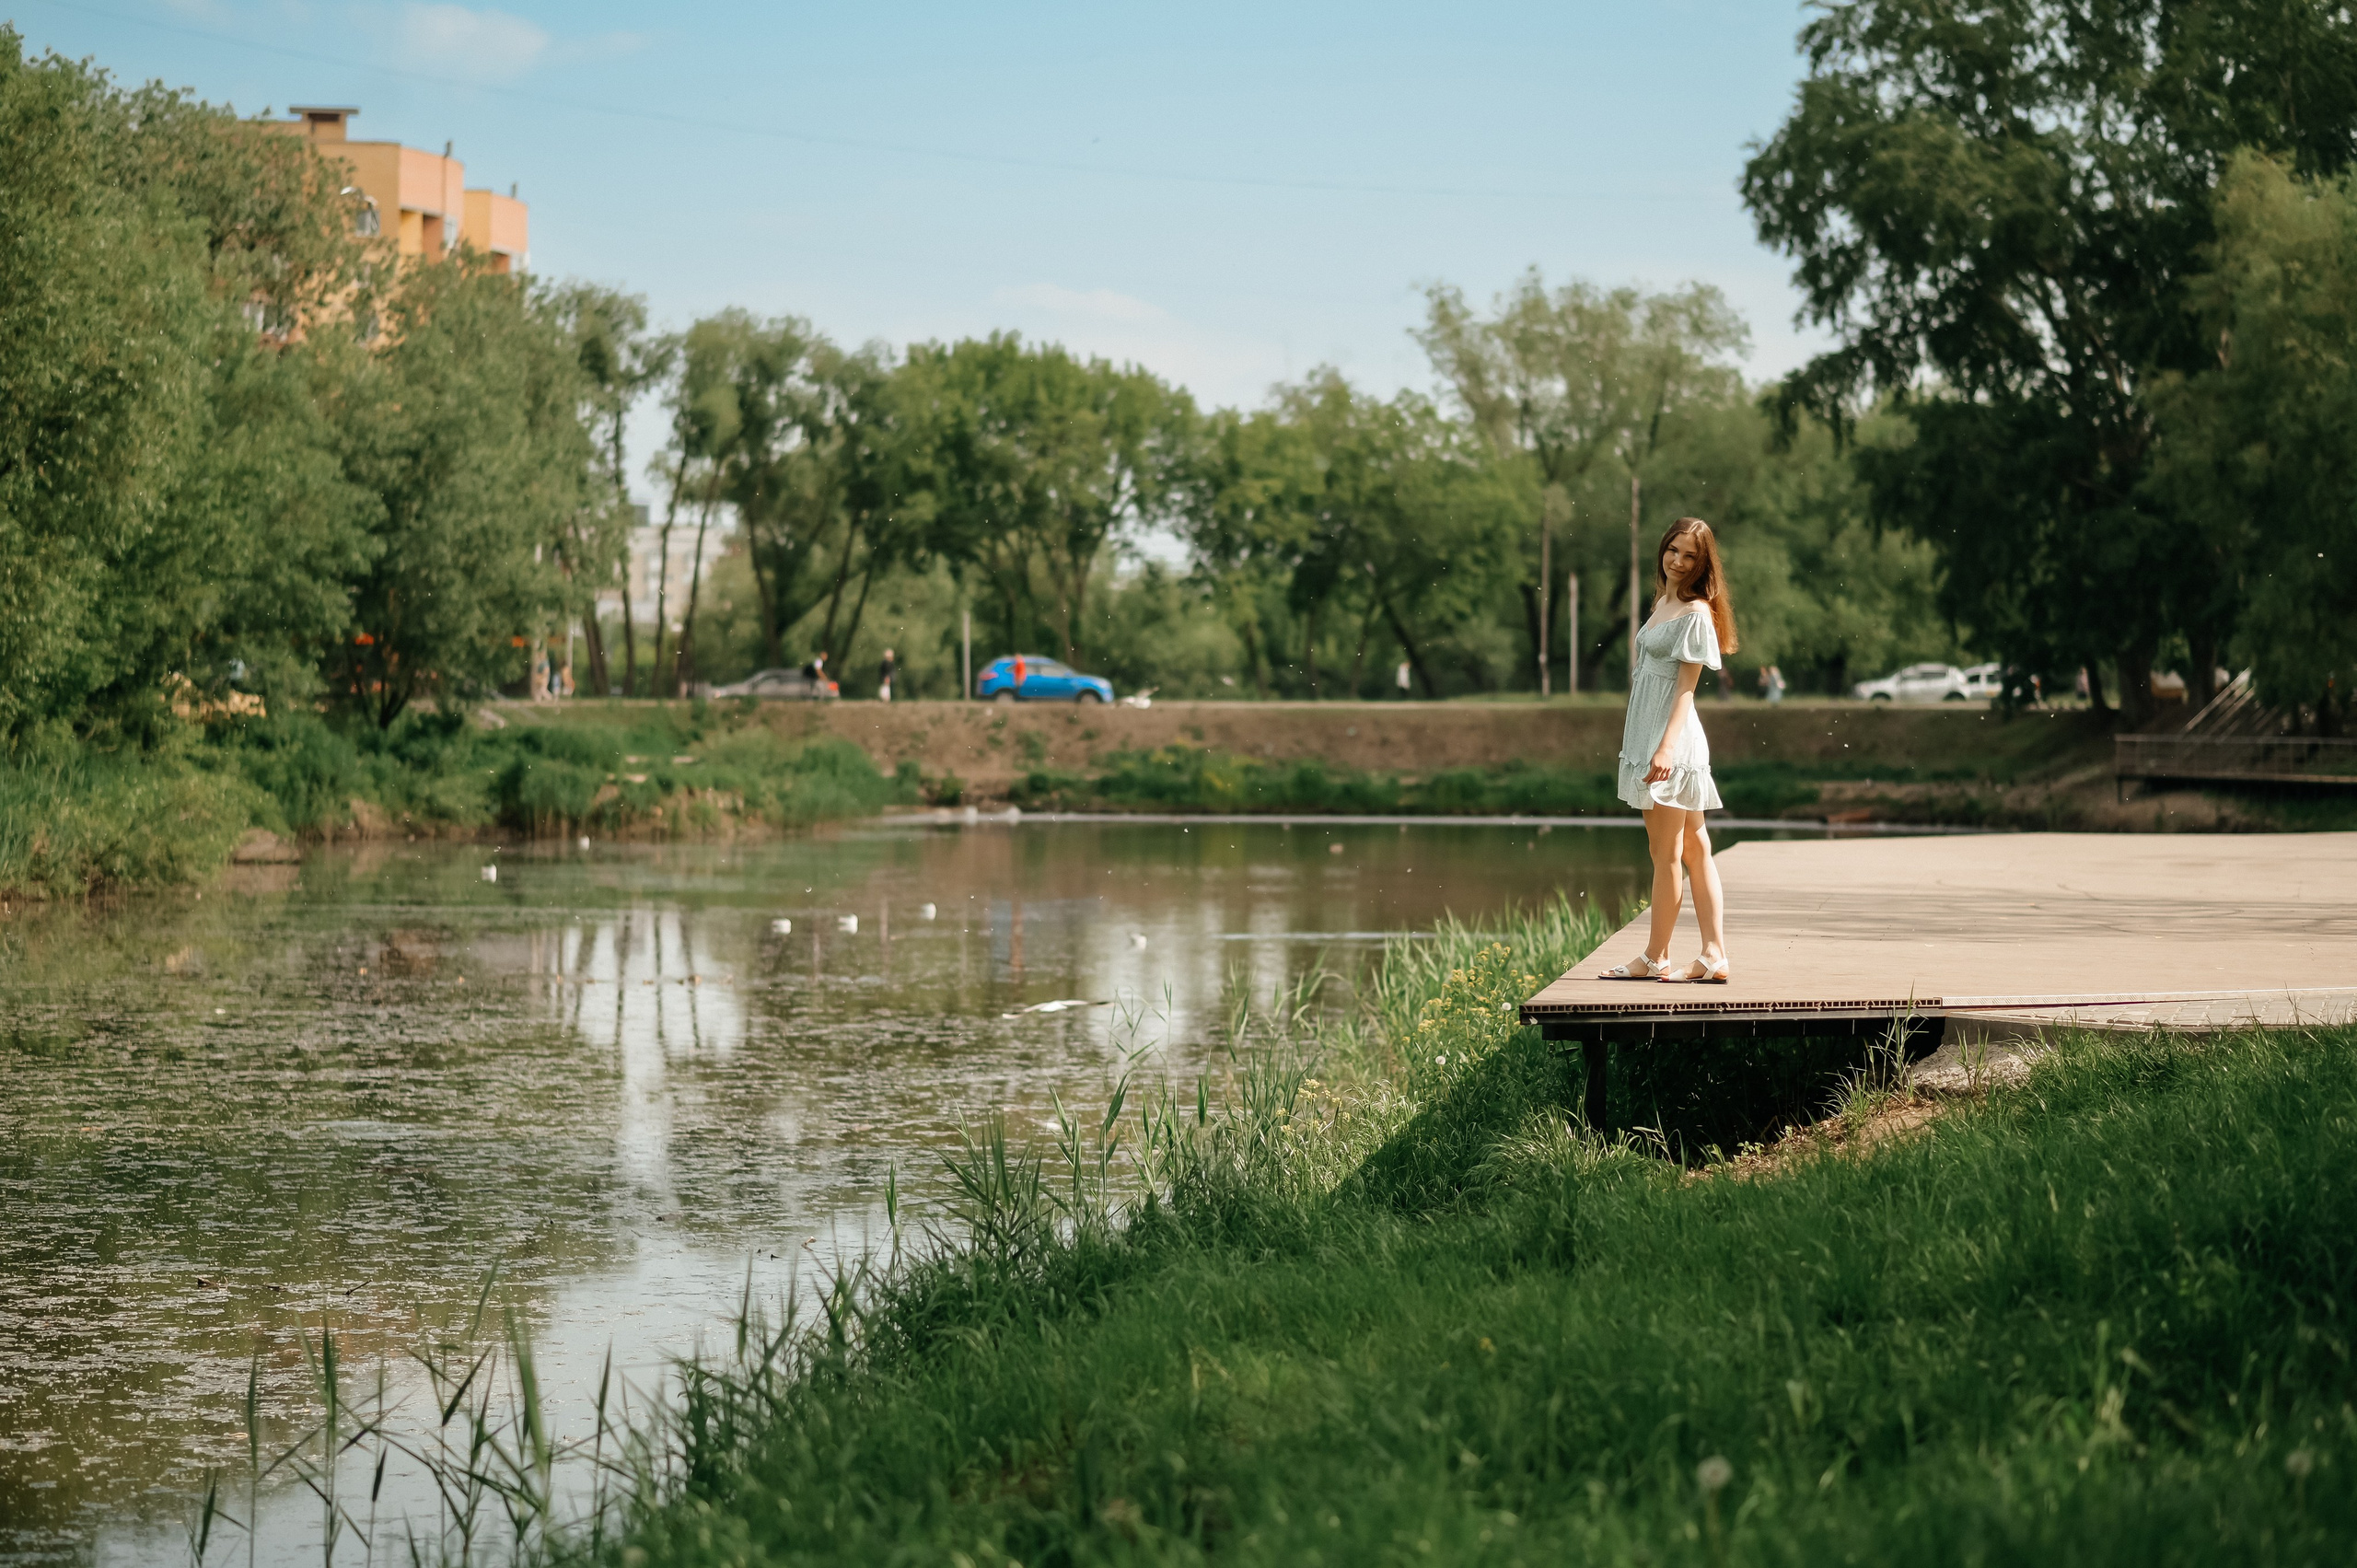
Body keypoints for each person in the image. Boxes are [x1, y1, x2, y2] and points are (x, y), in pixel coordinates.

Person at [1600, 517, 1737, 984]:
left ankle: (1657, 956)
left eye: (1690, 556)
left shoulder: (1696, 613)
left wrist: (1664, 749)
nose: (1678, 561)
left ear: (1704, 563)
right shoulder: (1664, 602)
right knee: (1696, 850)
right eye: (1673, 550)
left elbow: (1686, 689)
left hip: (1670, 742)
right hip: (1650, 738)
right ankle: (1712, 954)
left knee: (1668, 855)